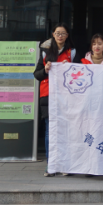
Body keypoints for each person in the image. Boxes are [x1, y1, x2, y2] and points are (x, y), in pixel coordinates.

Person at [34, 23, 75, 177]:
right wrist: (45, 70)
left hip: (66, 96)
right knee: (49, 130)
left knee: (66, 130)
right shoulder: (45, 51)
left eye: (63, 33)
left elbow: (79, 74)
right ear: (53, 34)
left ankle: (65, 164)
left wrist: (70, 67)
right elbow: (36, 74)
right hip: (48, 95)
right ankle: (51, 164)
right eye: (57, 33)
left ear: (67, 35)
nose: (60, 36)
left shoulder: (72, 52)